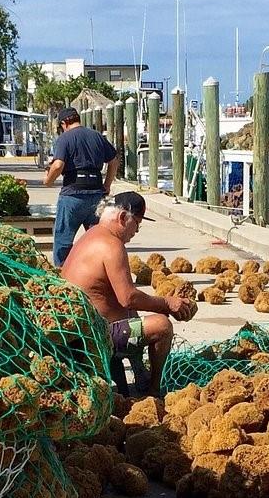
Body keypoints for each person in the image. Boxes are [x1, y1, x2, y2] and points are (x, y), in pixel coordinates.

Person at [61, 191, 194, 397]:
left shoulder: (91, 235)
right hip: (97, 334)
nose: (137, 231)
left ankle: (137, 376)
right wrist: (167, 303)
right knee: (162, 325)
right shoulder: (112, 245)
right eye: (137, 223)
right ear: (123, 218)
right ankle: (153, 391)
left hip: (84, 327)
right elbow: (129, 297)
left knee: (137, 317)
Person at [44, 106, 119, 266]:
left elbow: (58, 165)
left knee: (63, 239)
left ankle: (62, 273)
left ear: (64, 123)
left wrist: (48, 181)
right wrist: (107, 184)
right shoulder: (97, 136)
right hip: (96, 194)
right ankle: (100, 271)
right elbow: (114, 160)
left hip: (73, 196)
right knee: (99, 238)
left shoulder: (65, 138)